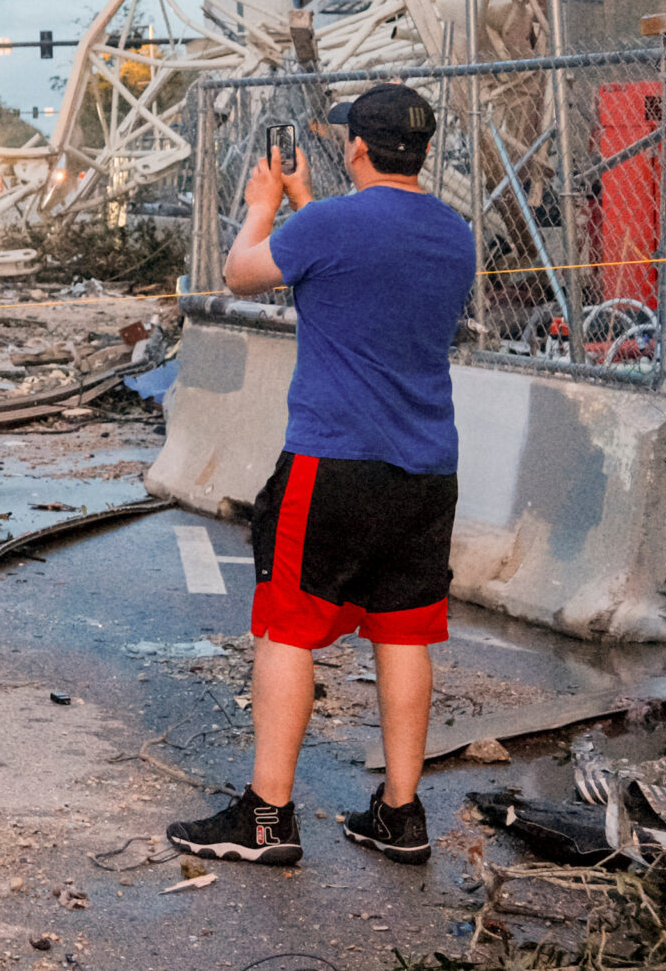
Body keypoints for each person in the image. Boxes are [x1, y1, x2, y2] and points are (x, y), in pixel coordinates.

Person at [167, 83, 474, 870]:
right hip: (426, 468)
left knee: (286, 628)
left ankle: (267, 816)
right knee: (403, 630)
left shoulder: (330, 226)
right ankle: (400, 814)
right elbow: (362, 270)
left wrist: (263, 204)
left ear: (357, 146)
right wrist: (308, 204)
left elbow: (242, 273)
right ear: (424, 151)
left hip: (332, 460)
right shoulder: (454, 233)